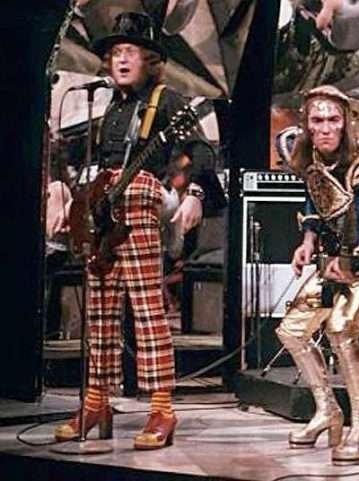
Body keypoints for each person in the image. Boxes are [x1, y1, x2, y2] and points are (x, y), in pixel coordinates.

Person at [51, 11, 216, 450]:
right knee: (100, 315)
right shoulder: (108, 105)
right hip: (103, 210)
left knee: (147, 311)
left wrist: (195, 193)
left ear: (149, 60)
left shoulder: (167, 101)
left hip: (141, 205)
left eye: (131, 52)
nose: (121, 59)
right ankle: (96, 402)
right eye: (116, 53)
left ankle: (162, 408)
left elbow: (201, 150)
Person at [274, 85, 359, 465]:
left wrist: (348, 261)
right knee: (292, 330)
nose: (326, 128)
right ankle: (327, 410)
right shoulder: (309, 155)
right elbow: (315, 196)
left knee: (342, 329)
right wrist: (308, 240)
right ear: (308, 125)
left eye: (333, 120)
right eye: (318, 120)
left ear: (345, 123)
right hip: (332, 257)